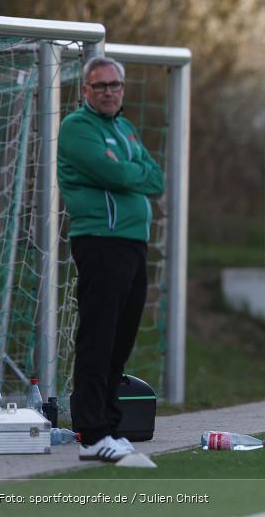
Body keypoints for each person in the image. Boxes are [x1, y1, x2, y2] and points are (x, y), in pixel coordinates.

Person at [57, 56, 165, 462]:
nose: (108, 92)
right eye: (99, 85)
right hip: (101, 241)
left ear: (123, 88)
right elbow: (116, 176)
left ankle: (110, 426)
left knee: (121, 341)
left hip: (133, 242)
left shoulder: (125, 128)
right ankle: (91, 432)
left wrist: (127, 170)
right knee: (98, 337)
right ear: (86, 90)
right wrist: (128, 172)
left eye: (114, 85)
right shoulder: (77, 127)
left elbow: (156, 178)